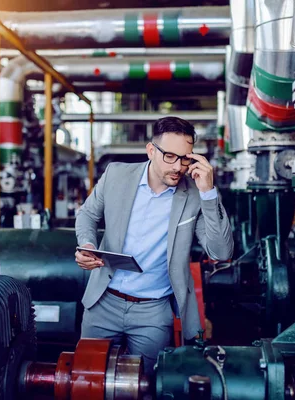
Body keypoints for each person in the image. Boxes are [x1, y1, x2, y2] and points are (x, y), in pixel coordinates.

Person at [74, 116, 233, 375]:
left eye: (185, 158)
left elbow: (221, 252)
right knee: (87, 381)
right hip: (104, 302)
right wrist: (87, 244)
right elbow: (88, 214)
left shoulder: (195, 194)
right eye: (169, 156)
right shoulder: (116, 174)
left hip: (153, 311)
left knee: (146, 386)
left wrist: (208, 192)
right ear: (151, 150)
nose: (178, 166)